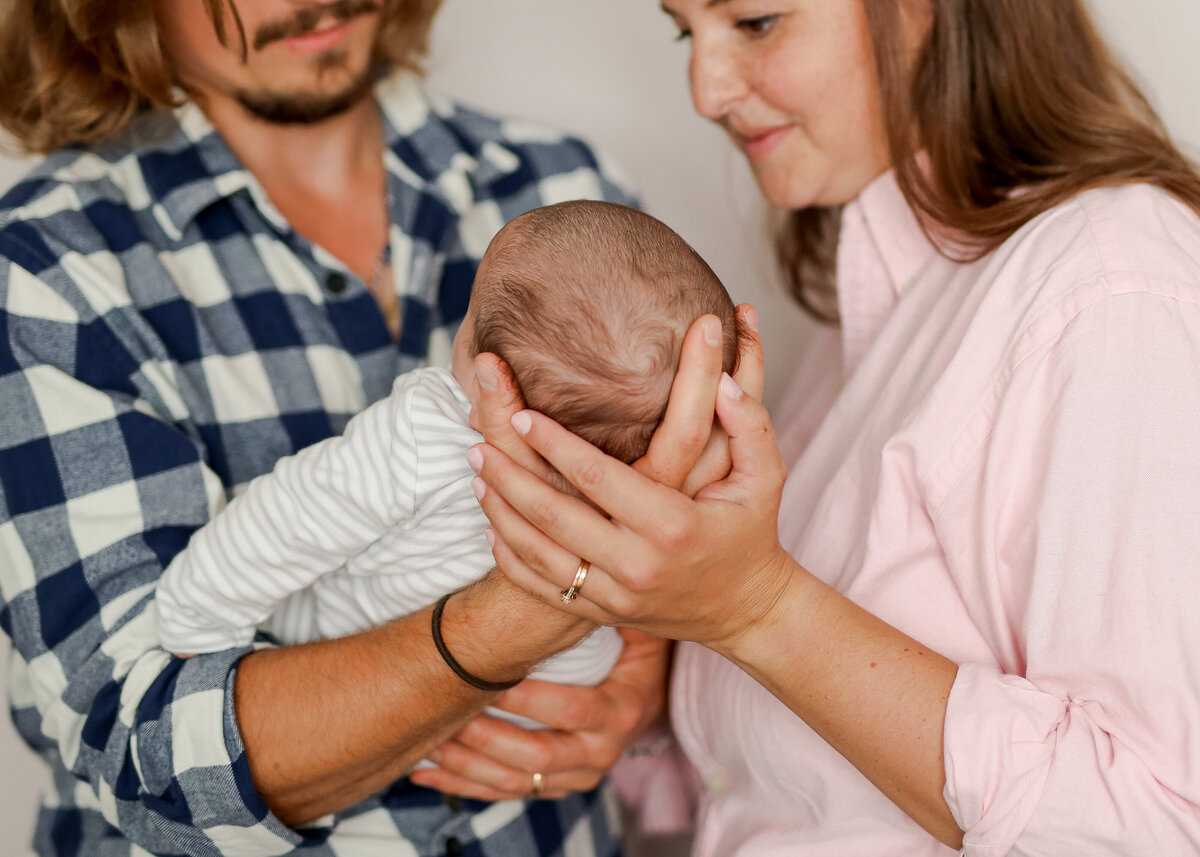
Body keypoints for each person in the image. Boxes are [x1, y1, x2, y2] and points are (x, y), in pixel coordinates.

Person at [0, 2, 748, 855]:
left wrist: (639, 688)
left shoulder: (554, 182)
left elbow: (703, 570)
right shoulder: (49, 264)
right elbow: (151, 757)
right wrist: (531, 613)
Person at [467, 1, 1200, 855]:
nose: (705, 90)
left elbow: (1157, 821)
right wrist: (653, 691)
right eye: (684, 31)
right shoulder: (857, 326)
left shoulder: (1112, 290)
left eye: (754, 21)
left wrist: (755, 607)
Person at [154, 200, 741, 737]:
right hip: (538, 715)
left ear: (479, 365)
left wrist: (196, 618)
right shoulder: (668, 489)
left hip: (344, 669)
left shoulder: (426, 432)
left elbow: (287, 519)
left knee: (312, 579)